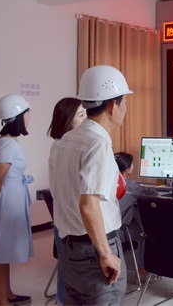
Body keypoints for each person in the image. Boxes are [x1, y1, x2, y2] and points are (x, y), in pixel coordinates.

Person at [49, 65, 133, 305]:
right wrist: (106, 253)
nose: (126, 108)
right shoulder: (98, 144)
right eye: (125, 102)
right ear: (112, 105)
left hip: (69, 250)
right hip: (94, 250)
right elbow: (88, 205)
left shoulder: (64, 141)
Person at [0, 94, 34, 306]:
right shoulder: (8, 145)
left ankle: (7, 294)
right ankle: (1, 300)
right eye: (27, 114)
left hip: (7, 199)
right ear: (18, 117)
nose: (29, 118)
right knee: (0, 253)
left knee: (3, 252)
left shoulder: (6, 142)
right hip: (6, 201)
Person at [47, 97, 87, 305]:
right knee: (69, 271)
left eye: (85, 114)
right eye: (80, 115)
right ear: (66, 119)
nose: (85, 119)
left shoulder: (61, 146)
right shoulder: (63, 147)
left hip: (65, 218)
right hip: (71, 220)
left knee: (68, 270)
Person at [114, 151, 158, 281]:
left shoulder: (104, 181)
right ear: (127, 169)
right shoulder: (131, 186)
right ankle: (142, 271)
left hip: (105, 230)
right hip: (120, 231)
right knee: (147, 232)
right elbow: (153, 195)